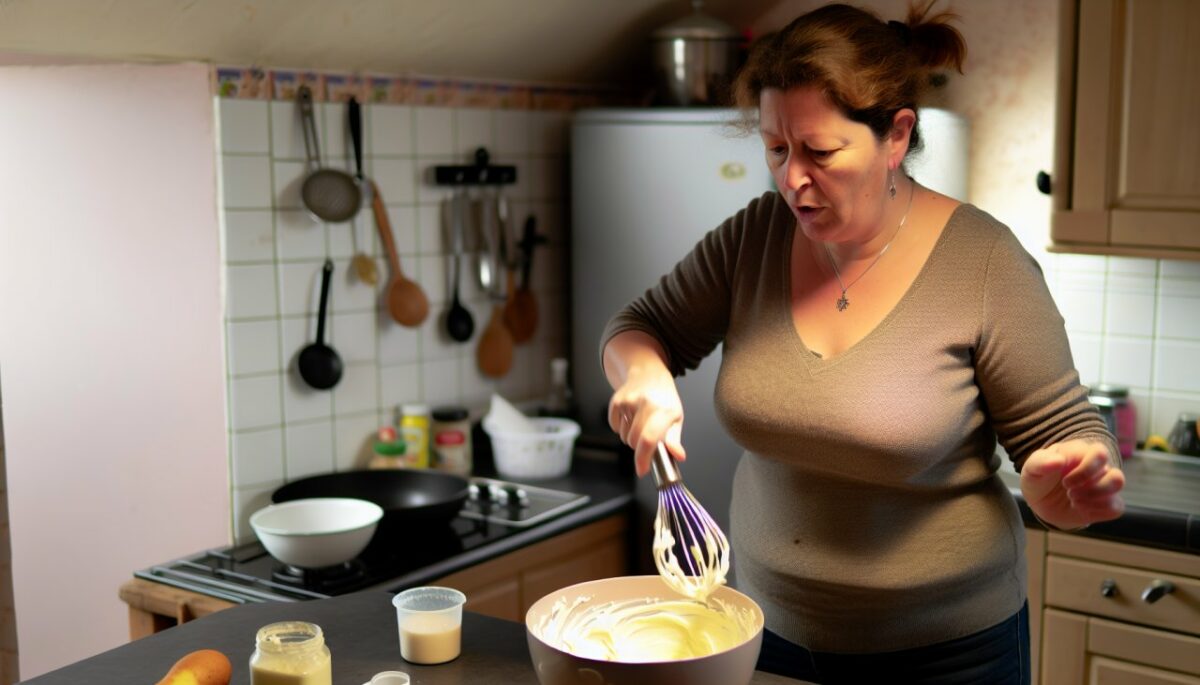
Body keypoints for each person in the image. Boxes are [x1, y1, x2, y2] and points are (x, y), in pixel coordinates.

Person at [599, 2, 1126, 683]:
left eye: (820, 152)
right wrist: (642, 372)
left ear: (896, 135)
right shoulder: (756, 236)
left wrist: (1066, 484)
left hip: (948, 655)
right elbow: (641, 327)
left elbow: (1063, 433)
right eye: (776, 149)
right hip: (767, 634)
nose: (791, 178)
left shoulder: (984, 263)